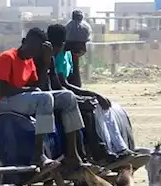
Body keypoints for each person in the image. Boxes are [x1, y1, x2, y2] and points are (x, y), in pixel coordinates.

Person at [0, 27, 86, 170]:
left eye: (37, 49)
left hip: (18, 98)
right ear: (23, 42)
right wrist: (28, 90)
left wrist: (46, 63)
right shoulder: (7, 57)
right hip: (1, 101)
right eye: (31, 46)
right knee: (44, 98)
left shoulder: (30, 62)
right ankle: (38, 154)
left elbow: (38, 85)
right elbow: (3, 90)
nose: (33, 51)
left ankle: (72, 153)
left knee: (68, 97)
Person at [45, 24, 132, 161]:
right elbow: (62, 85)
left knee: (100, 104)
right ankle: (97, 148)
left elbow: (75, 84)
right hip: (57, 96)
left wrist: (76, 60)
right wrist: (88, 96)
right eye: (82, 44)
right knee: (89, 110)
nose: (84, 48)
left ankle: (118, 147)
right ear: (68, 43)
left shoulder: (67, 55)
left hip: (65, 93)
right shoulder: (54, 56)